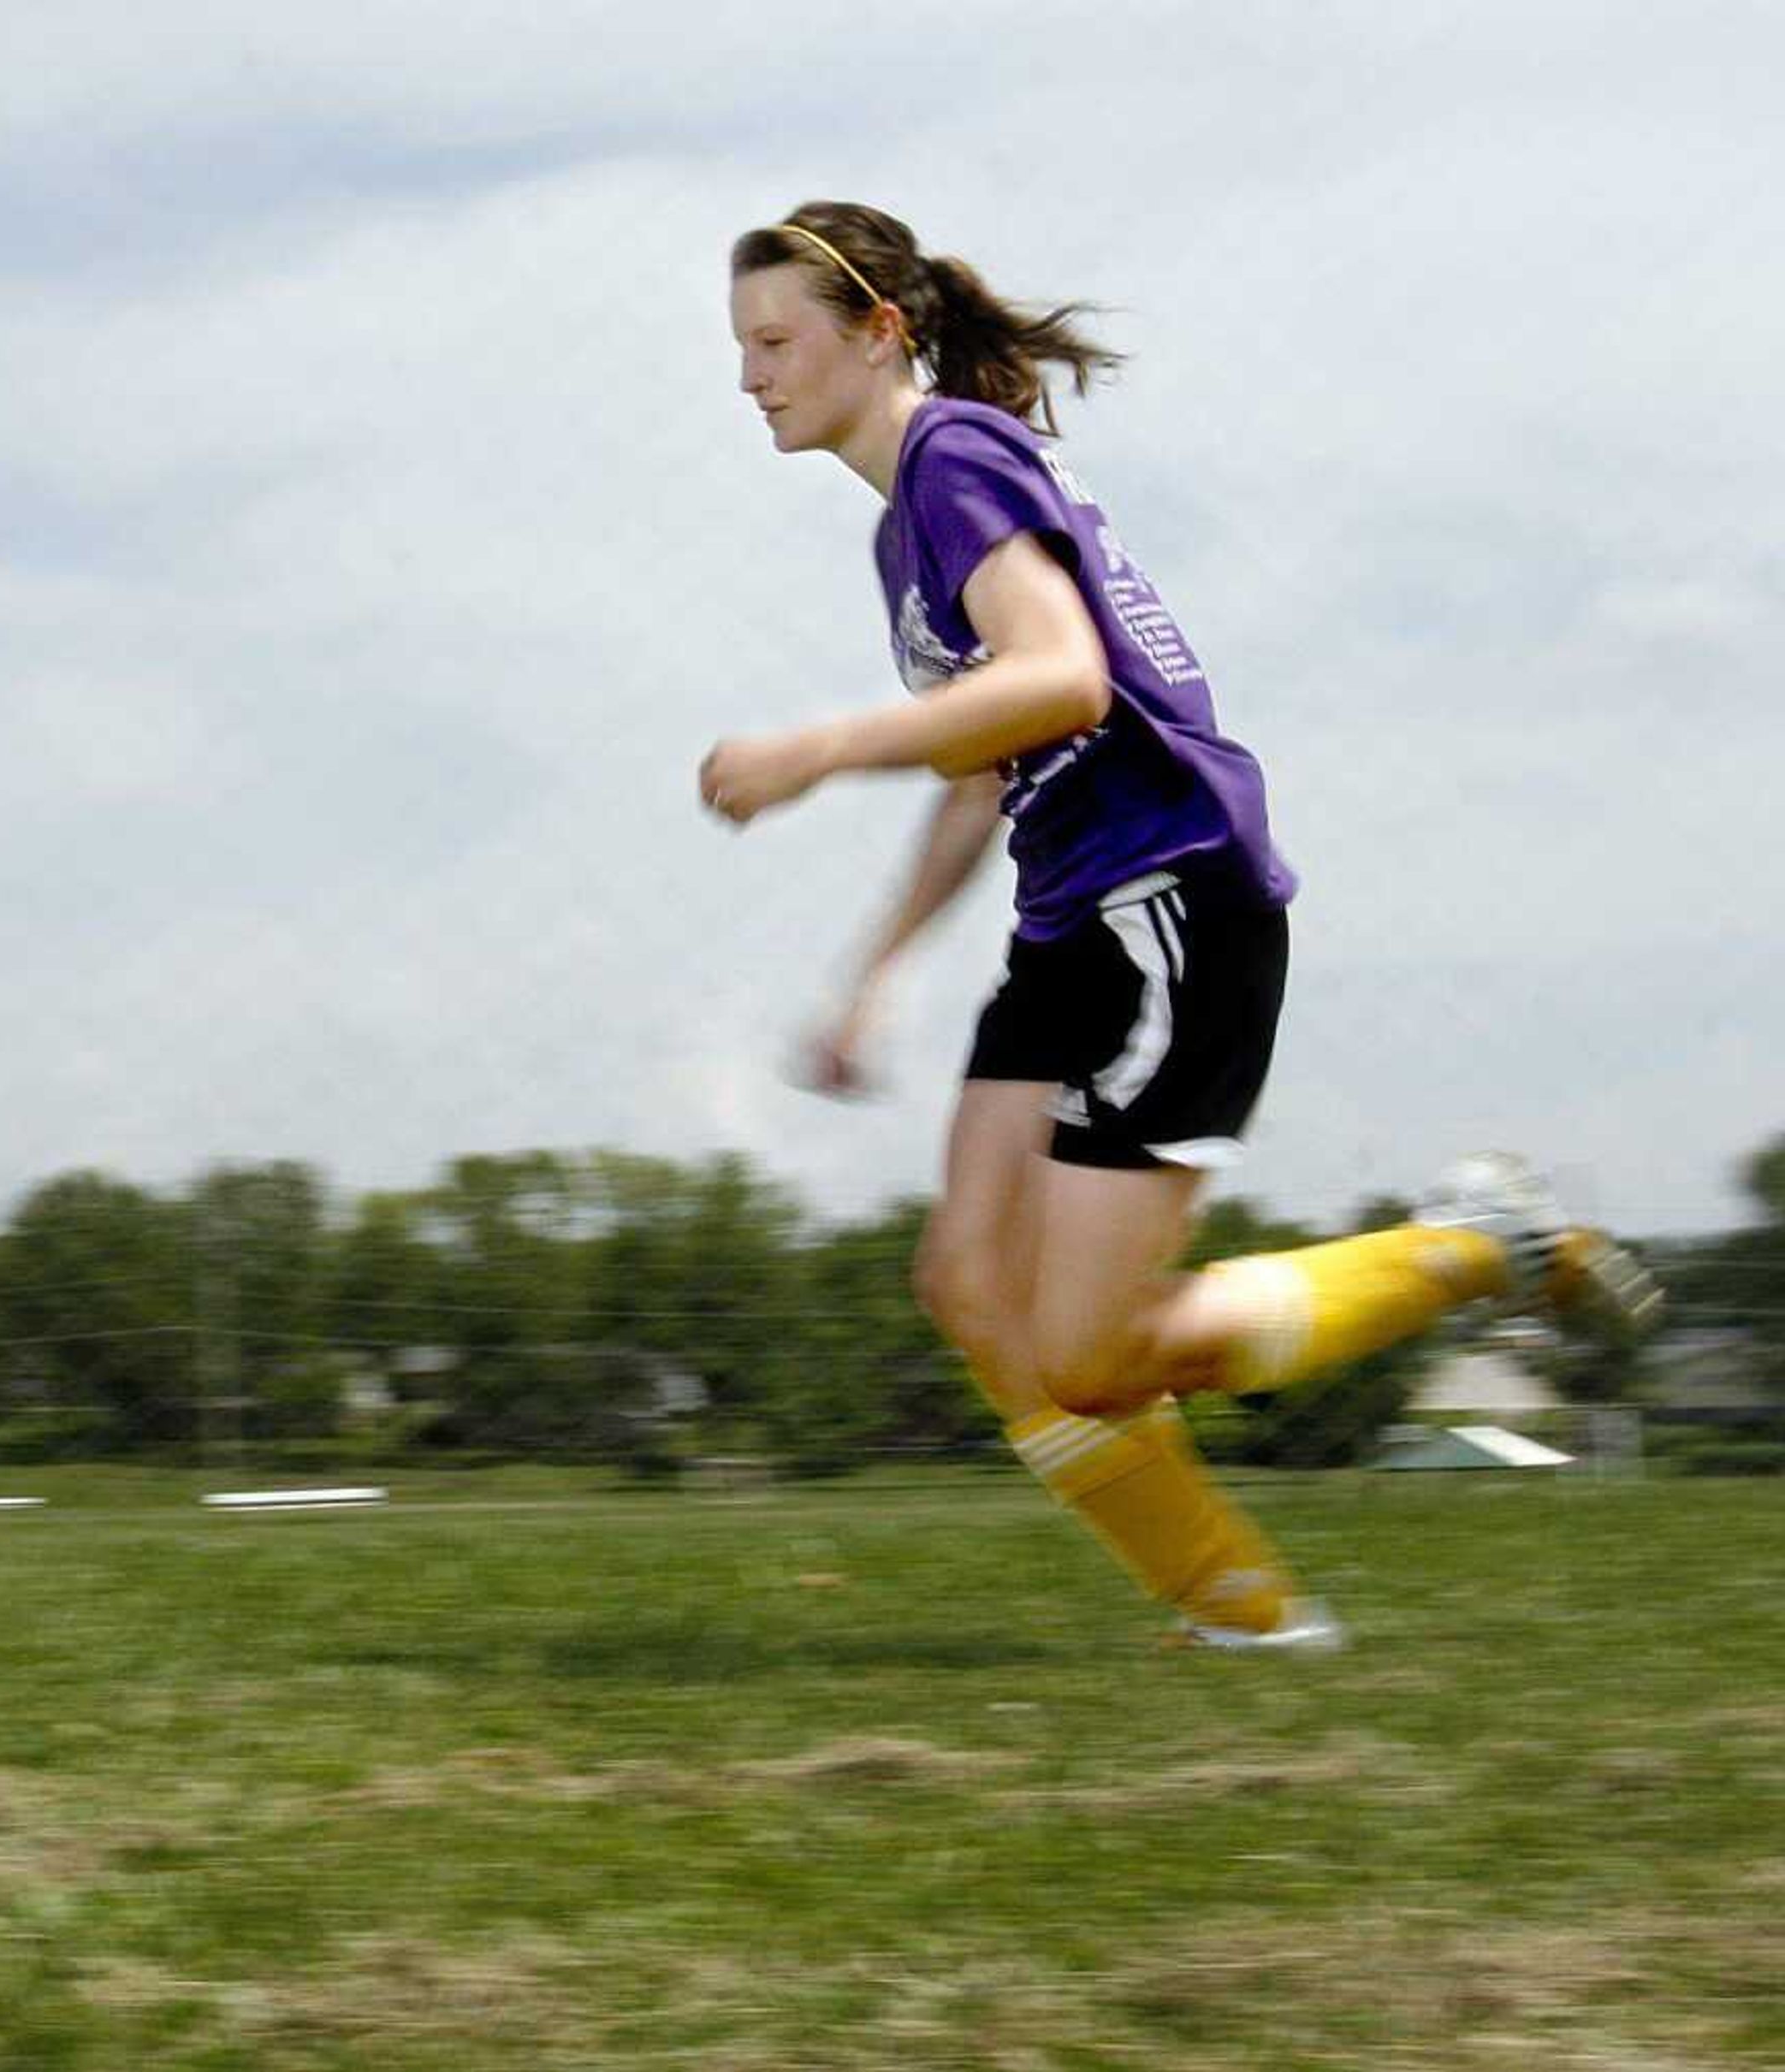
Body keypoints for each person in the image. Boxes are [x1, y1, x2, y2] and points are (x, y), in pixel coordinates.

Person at [697, 201, 1659, 1649]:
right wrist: (873, 977)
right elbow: (981, 771)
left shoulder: (956, 453)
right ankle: (1244, 1611)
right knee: (966, 1282)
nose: (753, 376)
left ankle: (1477, 1243)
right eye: (741, 349)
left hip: (1172, 904)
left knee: (1085, 1352)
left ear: (877, 331)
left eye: (776, 341)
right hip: (1074, 912)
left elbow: (1066, 680)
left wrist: (820, 747)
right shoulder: (912, 527)